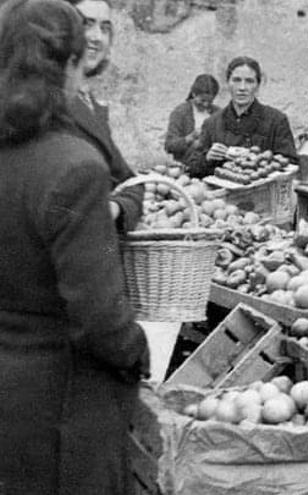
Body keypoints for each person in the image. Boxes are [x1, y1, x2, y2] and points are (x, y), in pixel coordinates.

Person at [0, 1, 149, 494]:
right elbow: (100, 318)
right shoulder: (75, 168)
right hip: (62, 410)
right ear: (67, 65)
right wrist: (136, 354)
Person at [65, 0, 143, 233]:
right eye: (85, 24)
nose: (96, 37)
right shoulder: (47, 101)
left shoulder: (92, 105)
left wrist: (116, 208)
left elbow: (131, 183)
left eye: (105, 28)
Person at [186, 56, 298, 178]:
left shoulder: (276, 120)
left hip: (263, 194)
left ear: (258, 86)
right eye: (236, 80)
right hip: (222, 195)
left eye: (249, 81)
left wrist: (256, 159)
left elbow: (291, 165)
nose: (242, 88)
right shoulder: (212, 123)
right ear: (228, 83)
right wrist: (207, 158)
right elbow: (192, 169)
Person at [165, 73, 221, 162]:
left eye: (210, 101)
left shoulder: (217, 113)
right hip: (186, 165)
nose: (206, 104)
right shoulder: (181, 113)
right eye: (202, 100)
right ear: (194, 94)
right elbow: (169, 146)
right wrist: (190, 138)